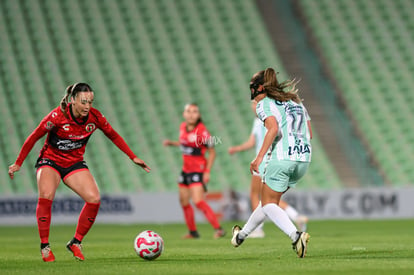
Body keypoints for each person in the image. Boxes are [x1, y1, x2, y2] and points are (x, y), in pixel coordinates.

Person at [8, 83, 150, 262]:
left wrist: (133, 156)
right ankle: (45, 246)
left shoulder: (95, 117)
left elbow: (113, 134)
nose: (87, 106)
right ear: (73, 100)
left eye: (90, 102)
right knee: (46, 195)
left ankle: (76, 242)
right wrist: (18, 163)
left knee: (94, 199)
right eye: (83, 102)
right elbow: (34, 136)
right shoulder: (57, 116)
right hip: (50, 160)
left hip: (74, 163)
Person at [231, 68, 312, 258]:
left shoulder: (264, 104)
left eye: (252, 86)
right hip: (304, 158)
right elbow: (310, 133)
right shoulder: (295, 101)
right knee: (269, 202)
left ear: (259, 87)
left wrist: (258, 157)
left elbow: (273, 128)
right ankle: (241, 236)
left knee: (268, 204)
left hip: (282, 157)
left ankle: (295, 236)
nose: (250, 91)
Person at [228, 101, 308, 238]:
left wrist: (241, 150)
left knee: (258, 196)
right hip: (284, 157)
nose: (253, 106)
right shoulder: (275, 115)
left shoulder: (263, 118)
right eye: (252, 104)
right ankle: (295, 215)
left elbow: (255, 141)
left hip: (264, 159)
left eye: (255, 103)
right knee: (270, 198)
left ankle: (259, 230)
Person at [163, 103, 225, 239]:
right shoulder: (182, 127)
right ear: (184, 114)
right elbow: (184, 143)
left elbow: (212, 152)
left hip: (198, 171)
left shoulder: (202, 131)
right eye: (188, 111)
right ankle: (193, 232)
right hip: (185, 171)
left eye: (194, 112)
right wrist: (172, 143)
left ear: (199, 115)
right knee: (184, 202)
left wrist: (207, 171)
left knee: (198, 201)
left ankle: (218, 229)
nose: (191, 114)